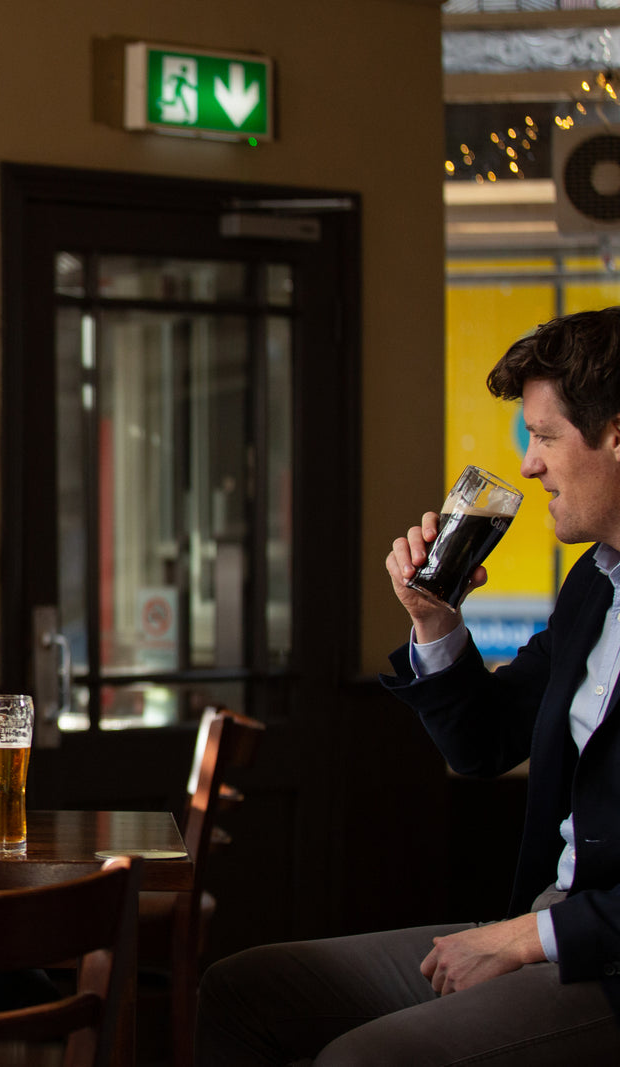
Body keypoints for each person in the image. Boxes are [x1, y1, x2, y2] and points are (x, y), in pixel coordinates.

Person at [196, 307, 620, 1064]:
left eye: (545, 436)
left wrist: (523, 938)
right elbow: (483, 745)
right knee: (241, 989)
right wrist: (434, 620)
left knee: (362, 1061)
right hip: (544, 929)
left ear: (617, 434)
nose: (528, 464)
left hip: (603, 964)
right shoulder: (595, 584)